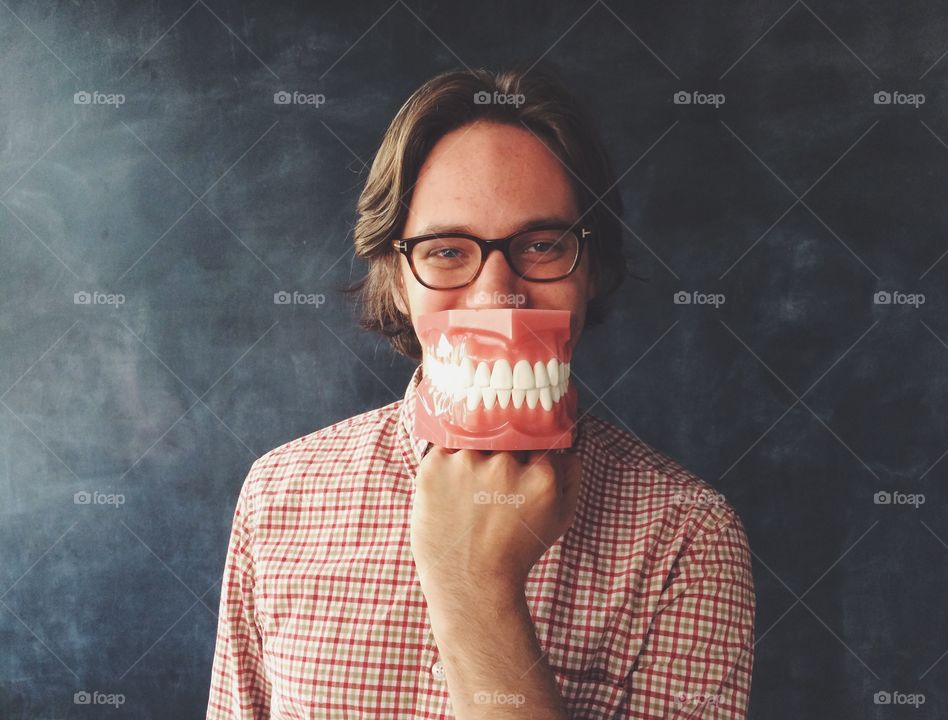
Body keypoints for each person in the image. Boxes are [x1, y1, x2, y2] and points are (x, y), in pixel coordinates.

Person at [206, 66, 755, 719]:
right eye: (445, 251)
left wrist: (474, 589)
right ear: (397, 277)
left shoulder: (687, 537)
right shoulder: (277, 498)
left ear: (593, 267)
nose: (497, 295)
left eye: (543, 244)